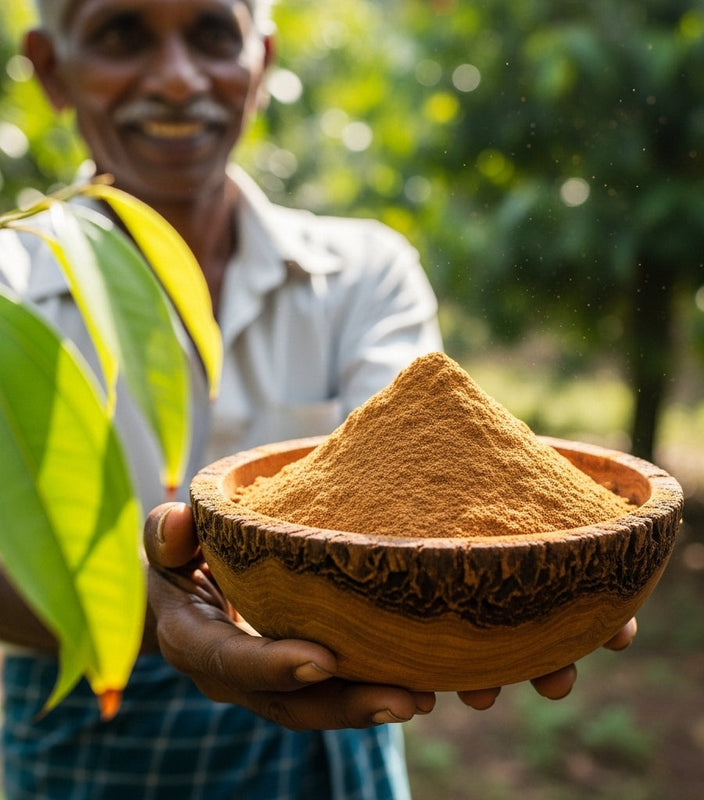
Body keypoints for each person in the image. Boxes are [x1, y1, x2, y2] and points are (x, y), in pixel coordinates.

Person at [0, 1, 637, 797]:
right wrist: (158, 616)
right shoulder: (10, 292)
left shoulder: (363, 274)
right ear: (51, 68)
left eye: (212, 34)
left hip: (339, 728)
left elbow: (413, 494)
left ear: (261, 61)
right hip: (88, 714)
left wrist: (526, 580)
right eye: (122, 34)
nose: (175, 78)